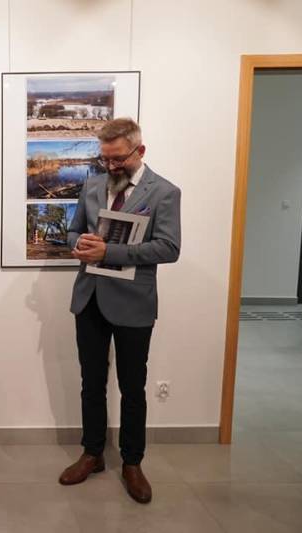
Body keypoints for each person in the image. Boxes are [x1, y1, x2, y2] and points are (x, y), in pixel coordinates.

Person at [59, 118, 181, 504]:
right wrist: (79, 244)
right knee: (91, 383)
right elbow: (73, 230)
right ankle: (92, 453)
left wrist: (108, 251)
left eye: (118, 159)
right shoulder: (92, 185)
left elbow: (169, 248)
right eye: (105, 159)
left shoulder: (164, 192)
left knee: (132, 388)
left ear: (139, 151)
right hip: (90, 299)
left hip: (133, 303)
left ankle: (132, 462)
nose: (110, 166)